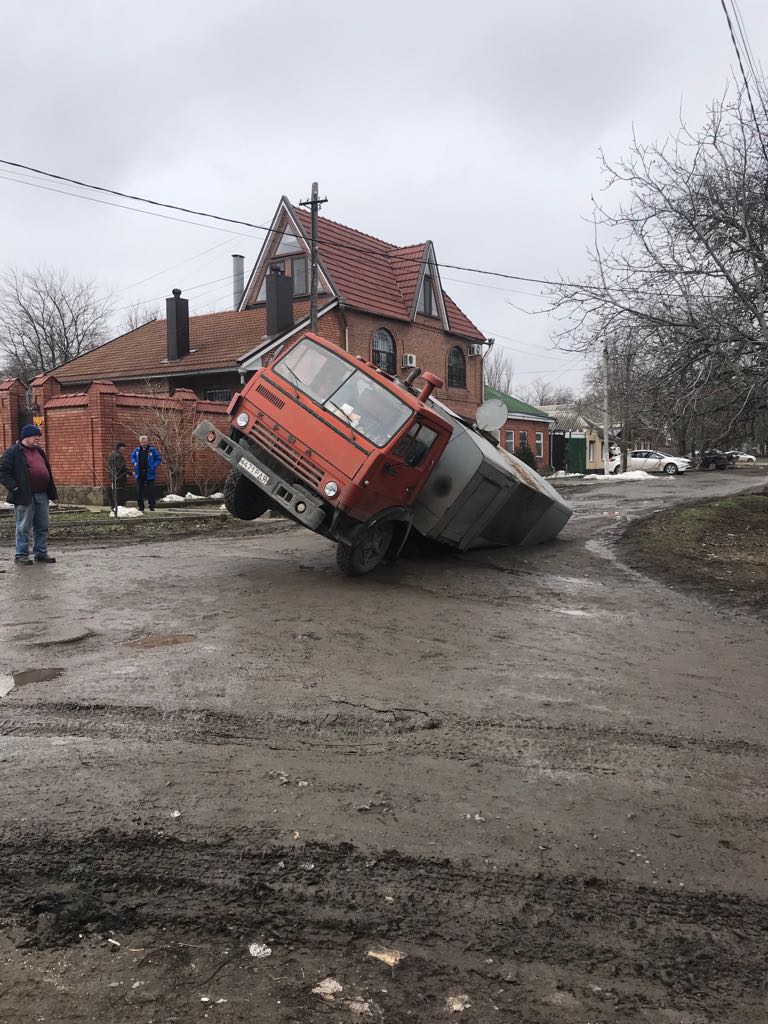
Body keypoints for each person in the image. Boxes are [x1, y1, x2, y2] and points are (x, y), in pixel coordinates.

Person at [0, 424, 58, 565]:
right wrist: (14, 486)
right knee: (23, 527)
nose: (38, 438)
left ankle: (41, 553)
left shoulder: (39, 451)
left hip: (42, 494)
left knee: (42, 525)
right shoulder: (13, 452)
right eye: (36, 436)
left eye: (39, 436)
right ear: (26, 437)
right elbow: (2, 471)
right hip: (24, 495)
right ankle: (21, 555)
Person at [131, 435, 162, 511]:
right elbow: (132, 456)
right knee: (139, 490)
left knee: (150, 490)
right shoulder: (137, 450)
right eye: (142, 442)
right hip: (139, 473)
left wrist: (153, 466)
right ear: (140, 442)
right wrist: (134, 463)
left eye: (145, 442)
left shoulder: (152, 450)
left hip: (149, 473)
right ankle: (141, 506)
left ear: (147, 442)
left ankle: (152, 506)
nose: (143, 444)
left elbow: (158, 459)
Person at [107, 442, 129, 515]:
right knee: (119, 492)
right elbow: (121, 467)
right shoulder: (118, 456)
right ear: (120, 447)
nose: (124, 450)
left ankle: (115, 506)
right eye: (124, 448)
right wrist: (129, 473)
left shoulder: (111, 454)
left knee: (115, 491)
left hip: (113, 476)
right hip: (119, 477)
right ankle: (119, 507)